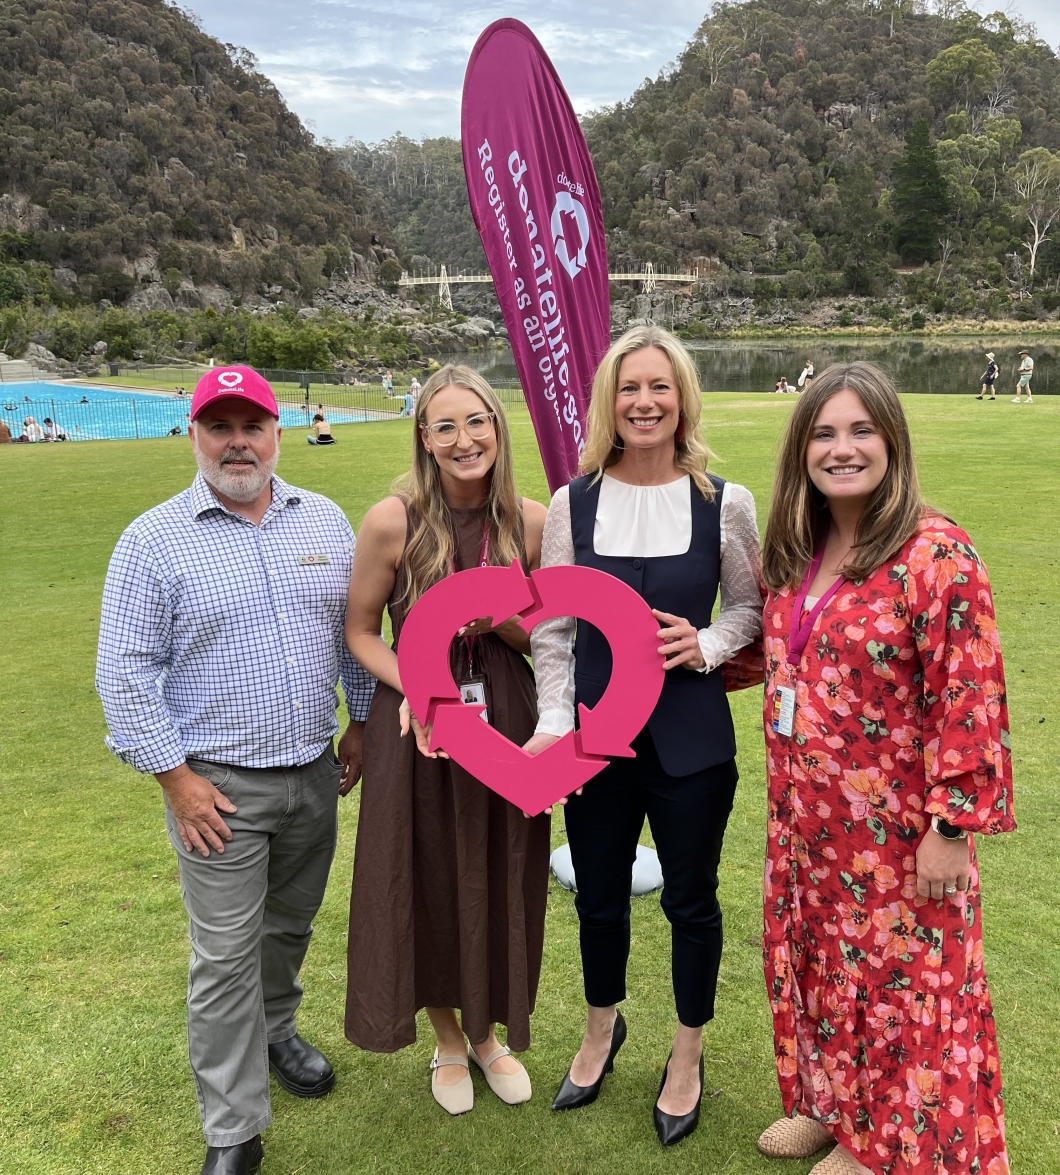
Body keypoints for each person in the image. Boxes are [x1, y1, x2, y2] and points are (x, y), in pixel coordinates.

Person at [96, 366, 375, 1175]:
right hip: (216, 785)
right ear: (195, 437)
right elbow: (124, 672)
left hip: (312, 773)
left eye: (251, 424)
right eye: (219, 426)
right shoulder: (153, 539)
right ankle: (234, 1129)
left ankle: (278, 1026)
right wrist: (175, 780)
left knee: (288, 927)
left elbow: (350, 631)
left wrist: (358, 720)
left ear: (277, 430)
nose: (237, 442)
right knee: (223, 957)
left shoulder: (321, 518)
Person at [755, 362, 1013, 1175]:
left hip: (898, 834)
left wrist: (950, 828)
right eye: (824, 433)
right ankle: (834, 1109)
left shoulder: (936, 553)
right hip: (808, 823)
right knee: (829, 972)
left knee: (905, 987)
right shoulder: (801, 549)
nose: (843, 448)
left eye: (860, 430)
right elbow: (789, 653)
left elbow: (968, 700)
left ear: (892, 440)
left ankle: (889, 1148)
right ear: (801, 450)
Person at [527, 325, 763, 1145]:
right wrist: (556, 721)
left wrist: (707, 643)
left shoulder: (723, 501)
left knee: (691, 899)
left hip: (693, 743)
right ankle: (601, 1030)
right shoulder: (572, 501)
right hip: (596, 740)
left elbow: (748, 607)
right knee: (597, 895)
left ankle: (687, 1054)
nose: (645, 401)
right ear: (609, 402)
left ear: (682, 397)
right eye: (630, 388)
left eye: (660, 386)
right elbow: (553, 628)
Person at [344, 365, 549, 1116]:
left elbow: (548, 639)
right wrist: (422, 687)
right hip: (419, 721)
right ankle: (447, 1038)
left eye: (477, 422)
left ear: (498, 427)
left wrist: (498, 616)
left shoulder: (530, 520)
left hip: (506, 721)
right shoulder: (391, 520)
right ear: (425, 439)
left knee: (501, 867)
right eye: (446, 426)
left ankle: (489, 1034)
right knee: (425, 872)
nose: (465, 440)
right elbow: (361, 631)